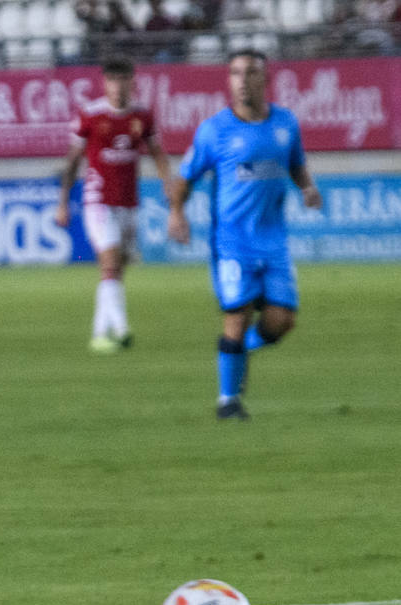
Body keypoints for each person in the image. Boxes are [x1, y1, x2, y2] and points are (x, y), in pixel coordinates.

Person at [167, 49, 322, 420]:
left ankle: (239, 351)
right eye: (235, 73)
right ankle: (228, 401)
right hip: (232, 242)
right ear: (229, 80)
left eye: (250, 72)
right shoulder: (214, 130)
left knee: (281, 321)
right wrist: (177, 213)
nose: (241, 80)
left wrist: (307, 188)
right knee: (235, 316)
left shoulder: (286, 124)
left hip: (273, 240)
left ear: (264, 79)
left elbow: (296, 164)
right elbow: (184, 178)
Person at [56, 56, 172, 354]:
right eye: (112, 80)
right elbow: (72, 161)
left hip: (128, 203)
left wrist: (167, 184)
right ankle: (121, 329)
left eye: (123, 80)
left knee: (116, 269)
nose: (118, 86)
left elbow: (158, 153)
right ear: (104, 83)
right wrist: (63, 203)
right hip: (98, 202)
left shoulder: (143, 117)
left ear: (132, 82)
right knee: (109, 263)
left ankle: (99, 334)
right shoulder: (90, 115)